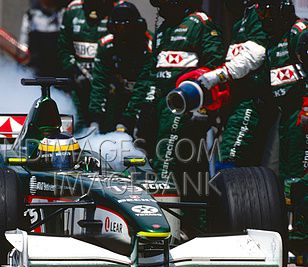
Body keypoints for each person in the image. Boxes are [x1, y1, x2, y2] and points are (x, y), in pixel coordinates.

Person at [148, 0, 225, 182]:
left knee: (168, 158)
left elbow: (214, 64)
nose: (161, 9)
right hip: (161, 105)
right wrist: (146, 103)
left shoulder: (200, 22)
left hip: (187, 106)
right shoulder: (163, 29)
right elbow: (151, 70)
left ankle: (166, 200)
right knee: (185, 165)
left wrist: (202, 107)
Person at [257, 0, 307, 265]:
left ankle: (300, 241)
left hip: (301, 113)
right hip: (284, 115)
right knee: (287, 177)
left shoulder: (298, 32)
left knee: (300, 178)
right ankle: (290, 239)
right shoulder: (272, 41)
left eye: (266, 11)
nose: (263, 17)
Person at [196, 0, 273, 170]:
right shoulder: (239, 22)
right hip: (235, 100)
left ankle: (231, 194)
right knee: (231, 154)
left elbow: (256, 55)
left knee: (231, 153)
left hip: (251, 100)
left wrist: (218, 75)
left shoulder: (257, 15)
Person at [88, 2, 154, 136]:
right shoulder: (106, 45)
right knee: (106, 127)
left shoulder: (149, 46)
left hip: (145, 93)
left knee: (144, 126)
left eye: (126, 27)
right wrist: (95, 119)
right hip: (119, 93)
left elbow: (144, 84)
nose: (122, 31)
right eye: (117, 26)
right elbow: (99, 83)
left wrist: (127, 119)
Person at [58, 0, 116, 129]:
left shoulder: (117, 10)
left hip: (108, 88)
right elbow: (63, 47)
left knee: (107, 130)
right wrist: (74, 71)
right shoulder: (72, 10)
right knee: (77, 126)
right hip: (78, 86)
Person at [20, 0, 67, 77]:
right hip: (36, 69)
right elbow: (23, 43)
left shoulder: (63, 14)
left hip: (57, 69)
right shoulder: (30, 16)